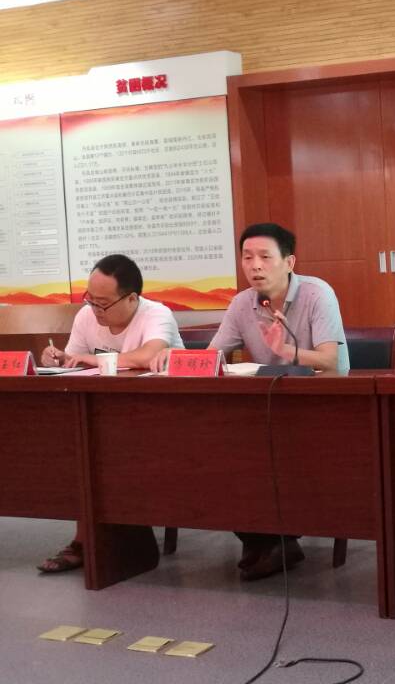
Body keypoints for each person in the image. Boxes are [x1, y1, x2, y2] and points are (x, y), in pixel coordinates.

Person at [153, 222, 349, 581]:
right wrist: (174, 358)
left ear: (289, 262)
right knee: (223, 451)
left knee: (263, 452)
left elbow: (330, 362)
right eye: (247, 257)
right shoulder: (242, 303)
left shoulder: (317, 294)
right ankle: (265, 538)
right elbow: (212, 356)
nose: (255, 265)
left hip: (321, 406)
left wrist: (285, 350)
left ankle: (273, 540)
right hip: (265, 405)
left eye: (264, 257)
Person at [37, 254, 183, 573]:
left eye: (103, 304)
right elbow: (73, 360)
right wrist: (57, 359)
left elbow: (148, 355)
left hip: (163, 421)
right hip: (109, 420)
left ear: (131, 298)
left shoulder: (157, 314)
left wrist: (88, 360)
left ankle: (103, 540)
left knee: (107, 450)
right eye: (90, 299)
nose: (94, 309)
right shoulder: (87, 315)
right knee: (81, 447)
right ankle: (86, 539)